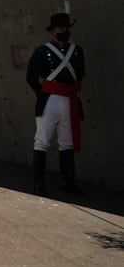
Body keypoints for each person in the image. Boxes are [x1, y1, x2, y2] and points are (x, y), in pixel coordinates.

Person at [26, 12, 86, 197]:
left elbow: (80, 73)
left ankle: (68, 182)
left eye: (67, 29)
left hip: (69, 99)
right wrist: (43, 93)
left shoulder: (76, 51)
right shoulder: (42, 52)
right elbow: (31, 77)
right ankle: (38, 184)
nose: (65, 31)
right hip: (49, 100)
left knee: (67, 142)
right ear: (53, 32)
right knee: (42, 141)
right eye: (61, 29)